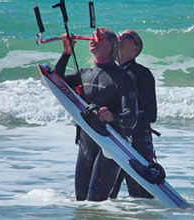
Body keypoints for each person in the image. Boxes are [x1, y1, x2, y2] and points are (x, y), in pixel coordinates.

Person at [54, 28, 138, 202]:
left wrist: (111, 116)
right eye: (91, 37)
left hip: (110, 144)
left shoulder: (124, 78)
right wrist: (66, 53)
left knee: (95, 203)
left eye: (99, 37)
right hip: (86, 141)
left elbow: (131, 118)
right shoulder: (85, 74)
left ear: (111, 44)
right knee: (81, 202)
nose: (93, 40)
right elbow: (56, 81)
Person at [110, 30, 157, 199]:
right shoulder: (109, 72)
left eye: (127, 37)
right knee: (108, 196)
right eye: (119, 34)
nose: (120, 37)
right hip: (113, 137)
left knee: (141, 195)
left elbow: (151, 114)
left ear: (135, 48)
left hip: (137, 139)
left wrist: (124, 121)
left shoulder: (142, 74)